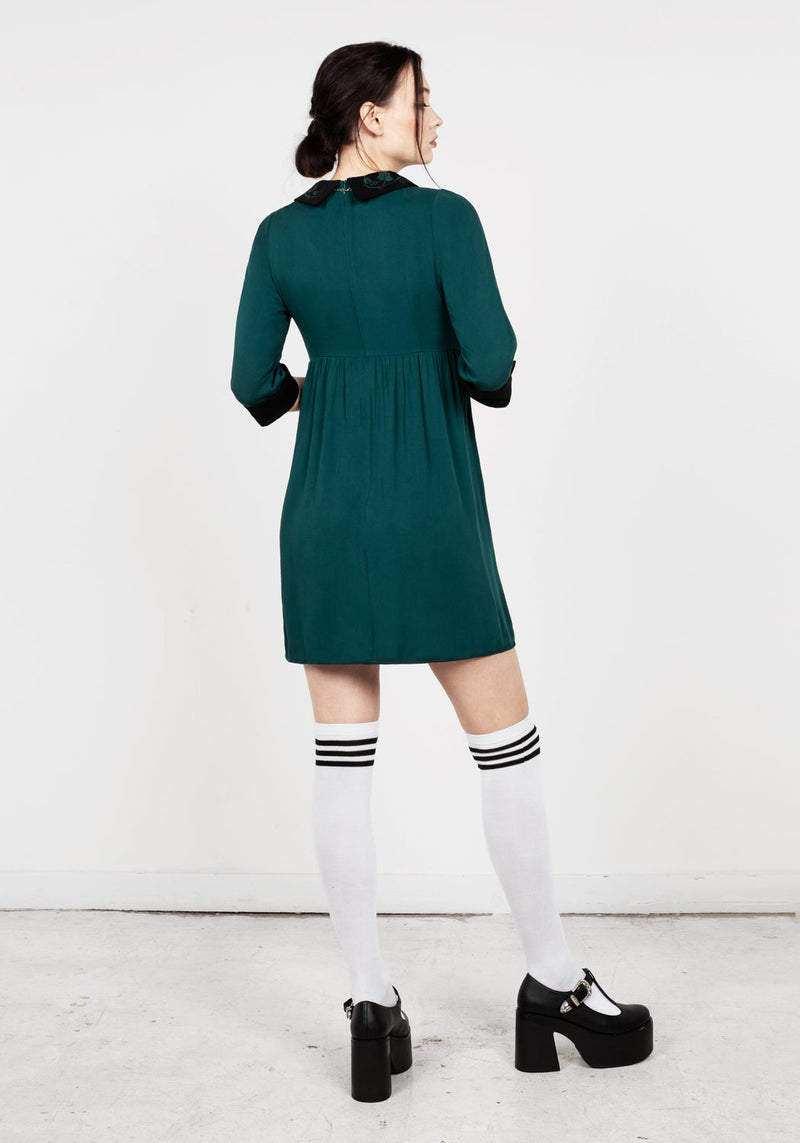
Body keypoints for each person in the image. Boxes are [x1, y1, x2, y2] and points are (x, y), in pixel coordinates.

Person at [230, 41, 653, 1102]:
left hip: (324, 516)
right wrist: (436, 371)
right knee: (505, 749)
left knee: (341, 762)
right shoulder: (444, 218)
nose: (436, 117)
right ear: (371, 116)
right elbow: (491, 363)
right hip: (431, 511)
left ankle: (370, 1003)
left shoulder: (278, 235)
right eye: (423, 100)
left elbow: (250, 381)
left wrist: (321, 394)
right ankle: (553, 980)